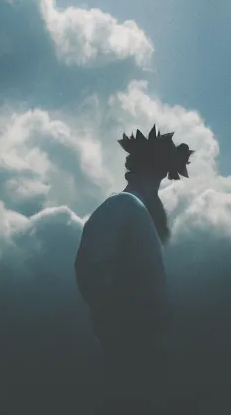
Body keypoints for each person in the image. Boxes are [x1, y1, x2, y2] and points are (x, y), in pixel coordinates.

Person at [74, 126, 194, 412]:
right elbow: (91, 267)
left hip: (147, 344)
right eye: (159, 171)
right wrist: (118, 324)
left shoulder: (142, 213)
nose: (161, 178)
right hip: (130, 345)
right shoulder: (123, 206)